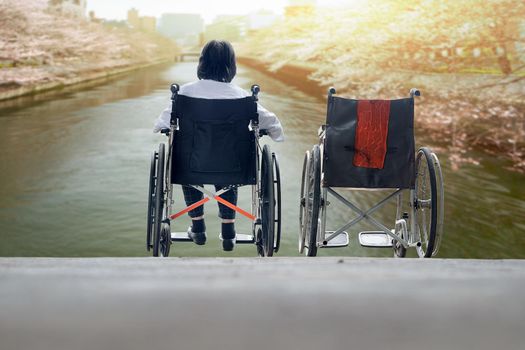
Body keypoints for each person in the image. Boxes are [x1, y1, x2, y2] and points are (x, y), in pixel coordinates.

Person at [153, 40, 284, 252]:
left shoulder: (182, 95)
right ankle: (229, 233)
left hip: (191, 167)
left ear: (201, 63)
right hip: (234, 167)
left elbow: (161, 124)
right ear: (231, 65)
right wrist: (273, 133)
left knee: (186, 158)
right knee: (228, 174)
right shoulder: (243, 97)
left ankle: (197, 229)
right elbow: (273, 124)